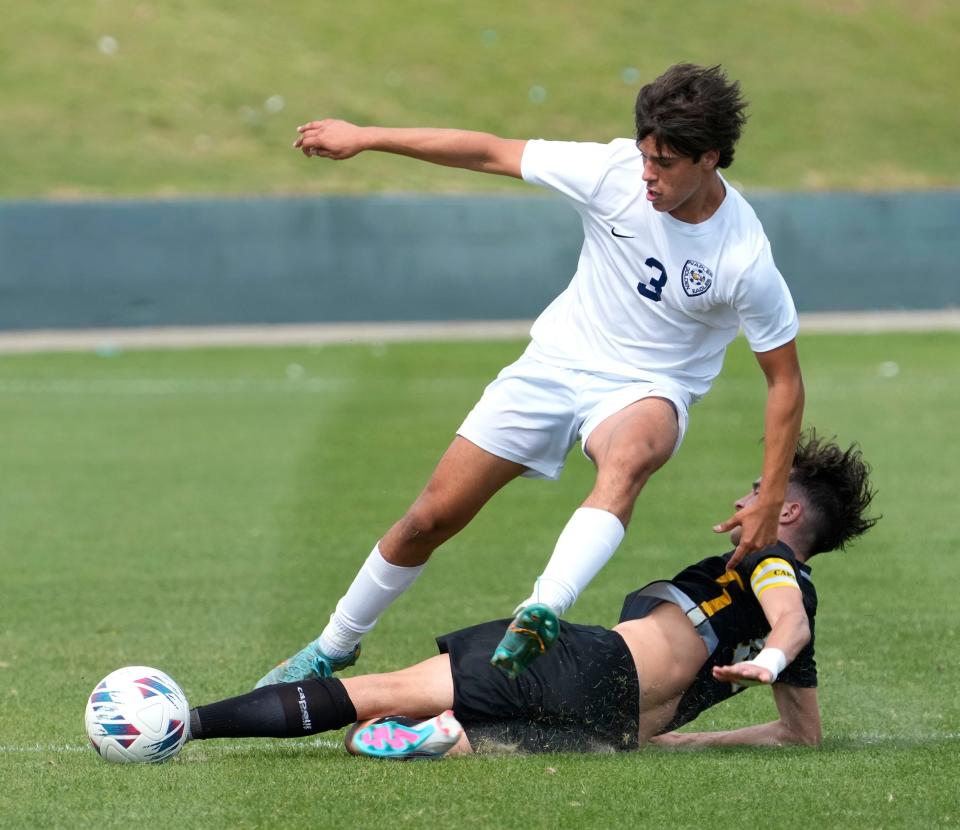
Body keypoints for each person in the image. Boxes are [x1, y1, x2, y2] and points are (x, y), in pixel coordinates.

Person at [255, 63, 806, 687]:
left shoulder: (743, 258)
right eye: (645, 155)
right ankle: (331, 647)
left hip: (648, 387)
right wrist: (366, 135)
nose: (648, 174)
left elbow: (784, 379)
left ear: (710, 160)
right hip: (555, 363)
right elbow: (489, 151)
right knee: (429, 519)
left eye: (666, 162)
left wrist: (770, 496)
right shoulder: (612, 172)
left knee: (625, 462)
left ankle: (543, 607)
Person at [191, 432, 875, 756]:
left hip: (586, 661)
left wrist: (775, 658)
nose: (740, 500)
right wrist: (687, 741)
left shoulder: (769, 562)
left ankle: (185, 724)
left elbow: (788, 622)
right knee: (387, 741)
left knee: (370, 696)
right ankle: (448, 740)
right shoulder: (785, 593)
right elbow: (800, 734)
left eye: (757, 492)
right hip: (616, 726)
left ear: (786, 515)